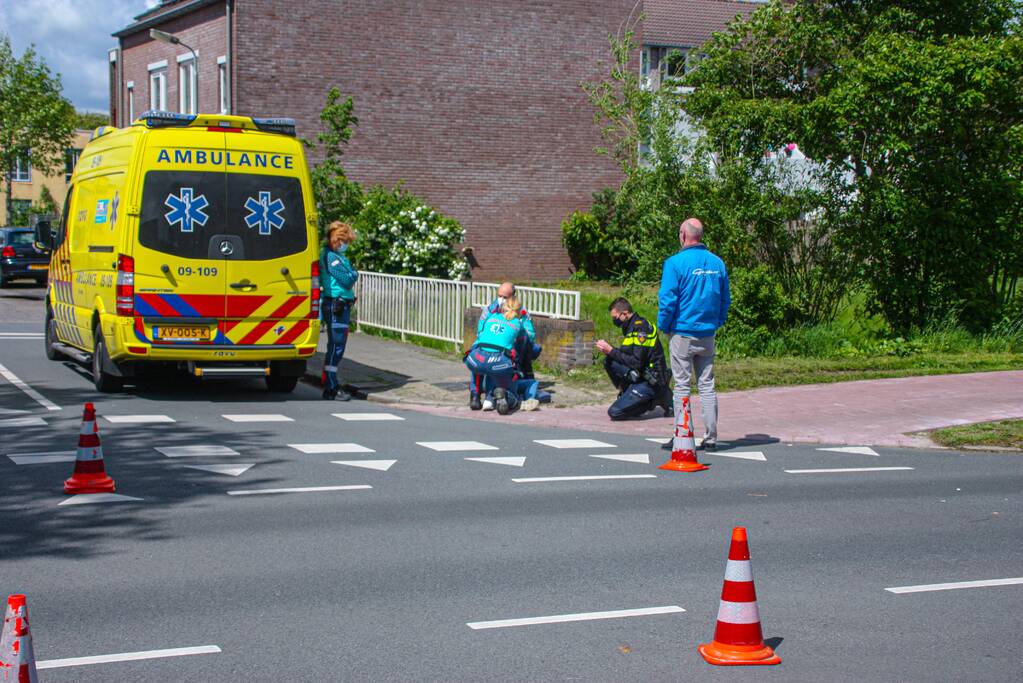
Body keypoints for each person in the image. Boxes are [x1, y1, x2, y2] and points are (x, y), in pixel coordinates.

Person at [657, 218, 730, 450]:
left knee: (682, 385)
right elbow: (724, 299)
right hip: (707, 332)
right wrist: (716, 322)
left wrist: (664, 326)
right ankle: (711, 437)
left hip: (682, 331)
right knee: (707, 384)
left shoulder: (675, 263)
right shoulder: (717, 263)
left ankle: (682, 433)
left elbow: (668, 300)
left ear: (682, 234)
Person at [595, 297, 672, 421]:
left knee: (615, 412)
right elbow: (625, 357)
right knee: (609, 361)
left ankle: (657, 397)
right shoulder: (630, 327)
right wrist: (609, 352)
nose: (614, 321)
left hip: (652, 380)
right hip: (640, 375)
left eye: (615, 318)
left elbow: (636, 362)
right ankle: (629, 393)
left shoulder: (641, 328)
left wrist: (611, 350)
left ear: (624, 314)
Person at [465, 296, 537, 414]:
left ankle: (475, 395)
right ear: (519, 311)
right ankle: (508, 397)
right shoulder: (518, 324)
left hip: (475, 359)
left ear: (503, 307)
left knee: (481, 368)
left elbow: (482, 333)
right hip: (498, 362)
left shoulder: (492, 316)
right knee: (504, 373)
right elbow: (529, 338)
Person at [320, 221, 359, 401]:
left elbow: (350, 273)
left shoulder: (336, 256)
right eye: (345, 241)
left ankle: (331, 383)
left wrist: (352, 272)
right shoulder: (331, 257)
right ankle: (331, 386)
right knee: (336, 346)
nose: (346, 245)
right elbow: (348, 278)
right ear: (336, 240)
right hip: (336, 304)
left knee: (337, 346)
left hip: (341, 304)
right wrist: (352, 273)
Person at [484, 282, 541, 379]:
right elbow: (480, 330)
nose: (501, 300)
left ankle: (522, 374)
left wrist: (515, 336)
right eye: (499, 296)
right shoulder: (490, 310)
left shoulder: (521, 311)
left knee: (529, 344)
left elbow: (530, 334)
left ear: (513, 297)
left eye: (505, 297)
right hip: (493, 344)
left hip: (515, 345)